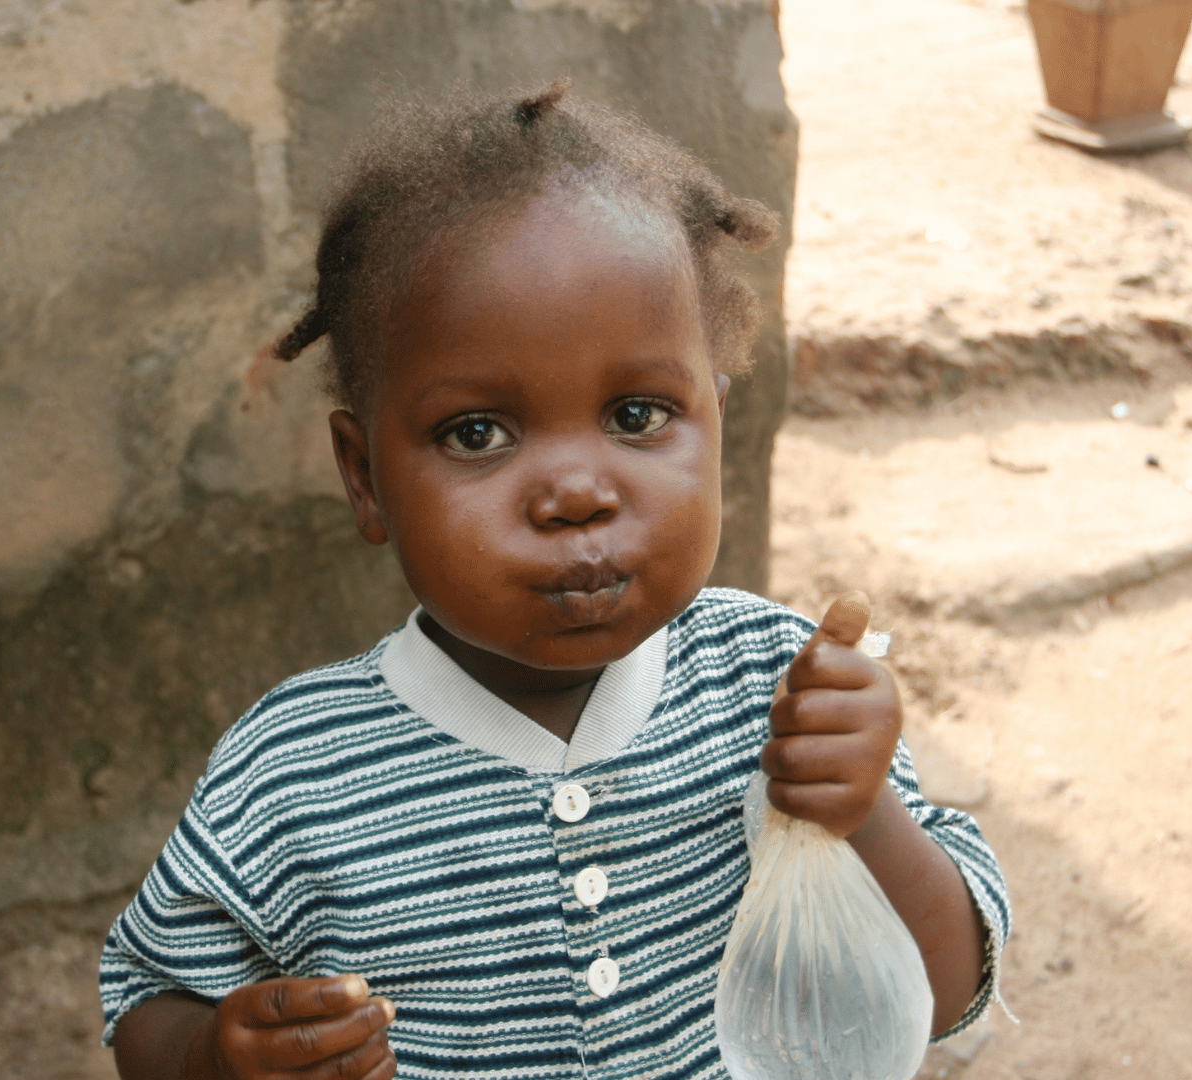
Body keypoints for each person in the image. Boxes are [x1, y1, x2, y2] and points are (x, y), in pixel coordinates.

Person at [99, 79, 1010, 1080]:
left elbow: (946, 994)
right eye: (476, 433)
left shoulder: (780, 691)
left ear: (715, 421)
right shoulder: (290, 774)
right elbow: (148, 998)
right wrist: (210, 1059)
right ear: (364, 477)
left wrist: (863, 812)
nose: (577, 493)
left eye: (637, 416)